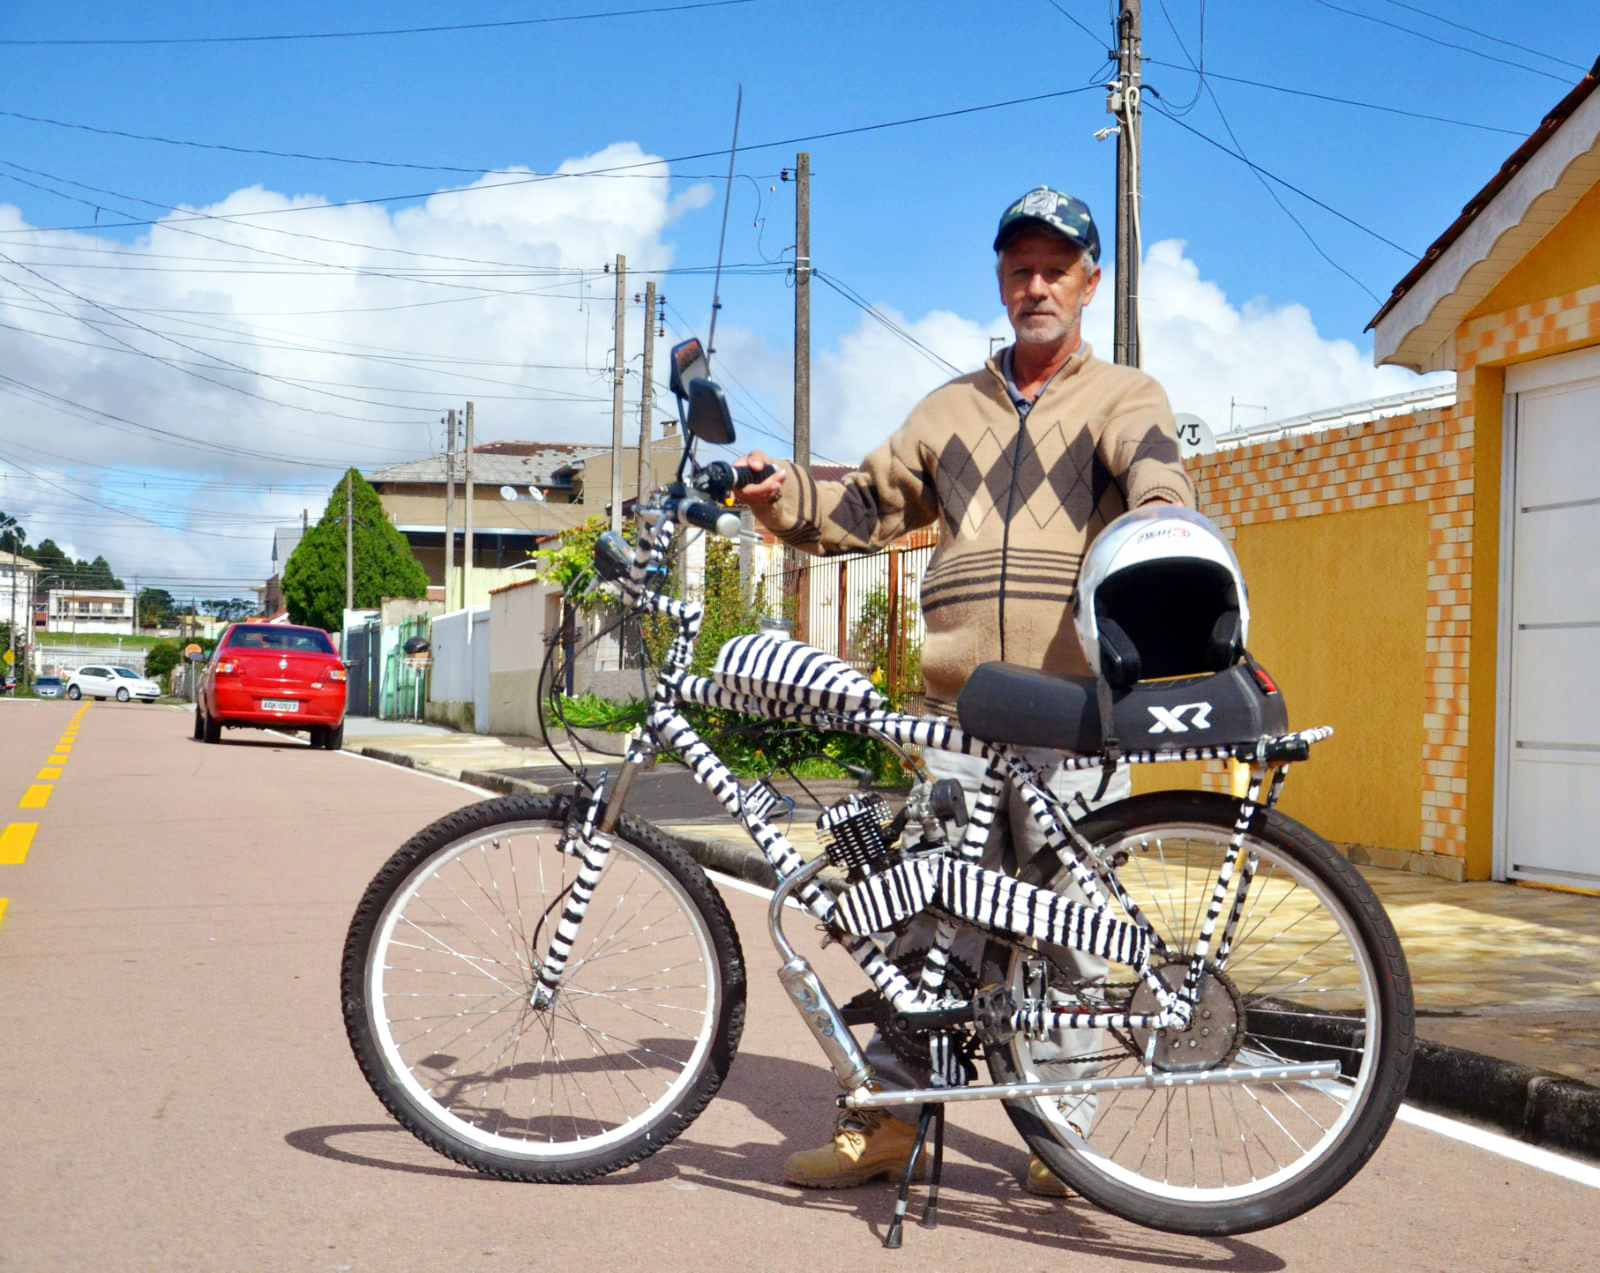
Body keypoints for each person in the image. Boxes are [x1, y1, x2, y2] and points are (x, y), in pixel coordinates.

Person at [734, 186, 1195, 1197]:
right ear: (999, 280)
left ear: (1089, 281)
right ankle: (890, 1122)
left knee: (1064, 929)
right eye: (1018, 267)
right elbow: (860, 506)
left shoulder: (1124, 397)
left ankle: (1062, 1138)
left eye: (1054, 267)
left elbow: (1158, 478)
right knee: (923, 927)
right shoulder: (950, 409)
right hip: (957, 721)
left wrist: (1162, 529)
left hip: (1074, 713)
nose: (1035, 284)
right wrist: (781, 500)